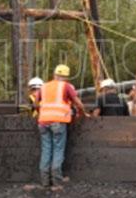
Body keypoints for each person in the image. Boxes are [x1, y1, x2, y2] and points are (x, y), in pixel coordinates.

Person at [27, 64, 89, 192]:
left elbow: (36, 104)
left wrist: (42, 113)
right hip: (58, 123)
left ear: (54, 74)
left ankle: (45, 182)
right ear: (66, 77)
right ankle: (57, 182)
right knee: (58, 150)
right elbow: (78, 102)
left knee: (46, 150)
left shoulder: (44, 87)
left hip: (43, 122)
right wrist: (83, 113)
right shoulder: (66, 86)